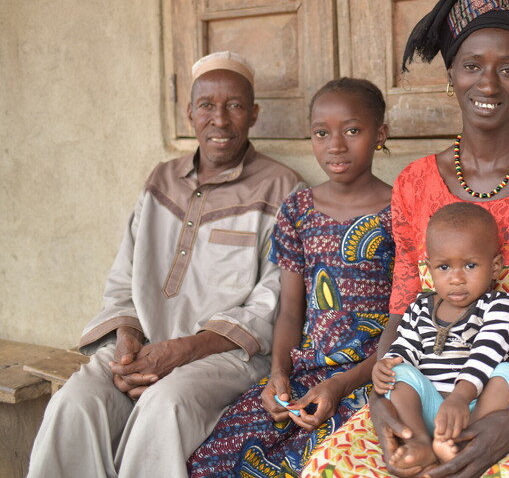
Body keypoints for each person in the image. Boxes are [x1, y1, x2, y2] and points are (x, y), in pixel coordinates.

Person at [302, 0, 509, 478]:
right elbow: (400, 310)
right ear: (451, 75)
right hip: (418, 390)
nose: (488, 85)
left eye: (507, 69)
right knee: (332, 467)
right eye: (472, 66)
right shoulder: (415, 184)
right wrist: (381, 400)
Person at [27, 51, 306, 477]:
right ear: (189, 112)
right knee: (75, 403)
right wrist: (125, 344)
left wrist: (182, 351)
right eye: (207, 106)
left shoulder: (283, 186)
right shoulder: (160, 180)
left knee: (164, 405)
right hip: (146, 346)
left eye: (234, 105)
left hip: (227, 355)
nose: (220, 119)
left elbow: (273, 303)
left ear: (253, 114)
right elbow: (123, 277)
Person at [187, 77, 395, 477]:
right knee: (212, 460)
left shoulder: (400, 209)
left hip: (374, 375)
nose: (335, 145)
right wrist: (278, 375)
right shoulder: (297, 209)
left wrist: (342, 385)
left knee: (313, 464)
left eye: (352, 130)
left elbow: (408, 317)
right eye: (322, 133)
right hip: (305, 372)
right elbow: (289, 313)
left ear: (380, 134)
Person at [373, 202, 509, 468]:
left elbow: (485, 355)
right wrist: (385, 366)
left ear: (495, 267)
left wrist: (460, 397)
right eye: (444, 267)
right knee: (398, 373)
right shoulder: (420, 307)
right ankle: (420, 441)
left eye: (469, 265)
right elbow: (404, 349)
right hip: (429, 408)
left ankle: (466, 442)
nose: (456, 278)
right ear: (429, 267)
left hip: (478, 408)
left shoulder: (499, 306)